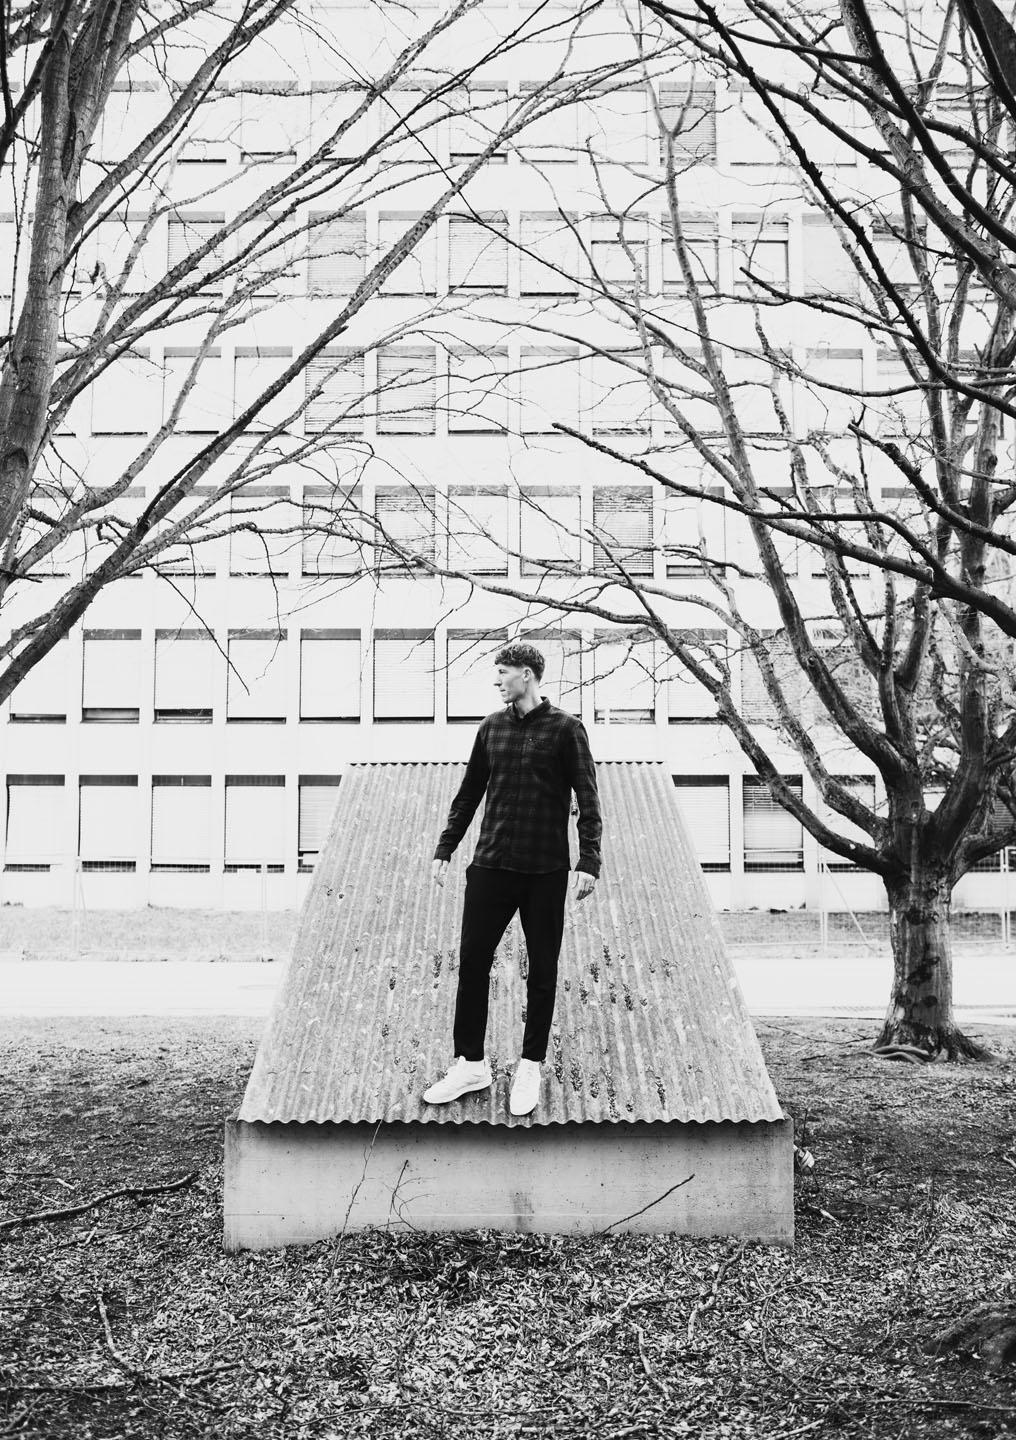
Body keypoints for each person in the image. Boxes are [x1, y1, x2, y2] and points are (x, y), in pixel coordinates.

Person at [423, 641, 602, 1117]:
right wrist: (446, 848)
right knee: (472, 963)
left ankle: (530, 1066)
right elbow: (468, 794)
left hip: (545, 870)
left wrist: (589, 861)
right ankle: (471, 1064)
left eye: (503, 671)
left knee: (542, 972)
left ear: (527, 674)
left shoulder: (567, 729)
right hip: (491, 866)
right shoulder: (491, 728)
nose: (497, 680)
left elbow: (588, 798)